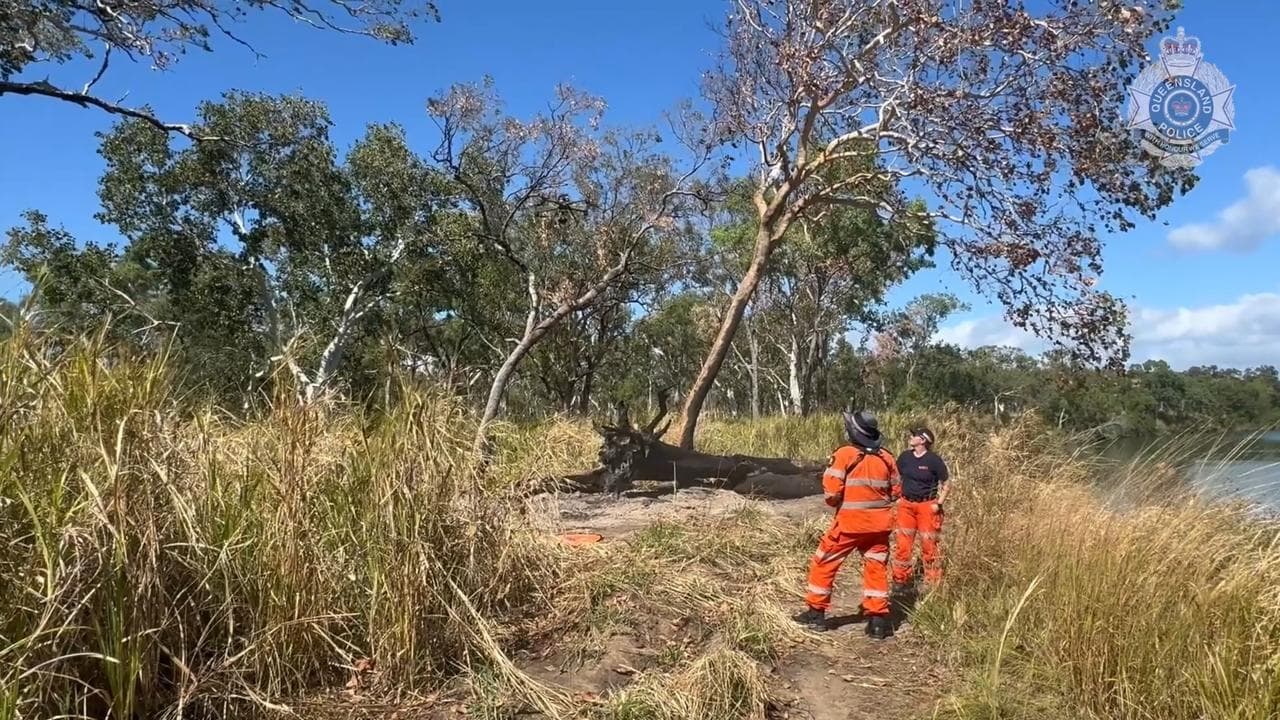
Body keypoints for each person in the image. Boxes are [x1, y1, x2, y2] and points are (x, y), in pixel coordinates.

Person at [794, 410, 899, 639]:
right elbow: (897, 490)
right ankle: (877, 622)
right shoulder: (887, 457)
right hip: (880, 525)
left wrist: (844, 501)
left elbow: (831, 493)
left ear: (853, 431)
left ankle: (816, 615)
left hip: (849, 524)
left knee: (824, 562)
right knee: (876, 568)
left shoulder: (845, 454)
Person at [892, 426, 950, 589]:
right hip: (906, 506)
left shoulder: (934, 460)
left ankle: (932, 582)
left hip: (927, 506)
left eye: (914, 436)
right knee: (903, 545)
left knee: (929, 545)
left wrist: (938, 504)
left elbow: (946, 484)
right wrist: (897, 498)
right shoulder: (905, 457)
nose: (911, 437)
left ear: (923, 440)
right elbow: (895, 477)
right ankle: (900, 580)